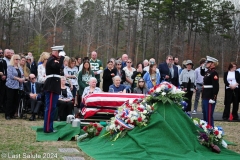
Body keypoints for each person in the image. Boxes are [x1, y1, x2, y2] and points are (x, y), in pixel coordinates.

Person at [43, 46, 65, 133]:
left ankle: (50, 127)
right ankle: (48, 128)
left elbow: (61, 67)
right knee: (50, 107)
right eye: (60, 52)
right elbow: (58, 66)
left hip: (54, 84)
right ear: (56, 52)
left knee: (52, 107)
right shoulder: (51, 59)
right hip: (51, 85)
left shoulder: (55, 59)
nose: (61, 54)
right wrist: (62, 57)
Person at [201, 56, 219, 127]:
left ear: (212, 63)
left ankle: (210, 130)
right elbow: (202, 74)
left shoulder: (214, 73)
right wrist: (202, 67)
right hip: (205, 95)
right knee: (205, 114)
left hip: (209, 96)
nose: (206, 63)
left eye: (208, 62)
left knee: (209, 115)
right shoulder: (208, 72)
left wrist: (213, 97)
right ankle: (206, 130)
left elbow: (216, 86)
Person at [5, 54, 24, 120]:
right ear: (13, 60)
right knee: (10, 100)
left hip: (18, 86)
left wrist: (23, 79)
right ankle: (7, 114)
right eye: (16, 59)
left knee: (16, 100)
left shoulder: (20, 68)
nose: (18, 60)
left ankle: (12, 114)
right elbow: (10, 76)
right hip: (11, 85)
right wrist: (18, 79)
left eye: (19, 59)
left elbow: (22, 75)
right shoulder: (10, 67)